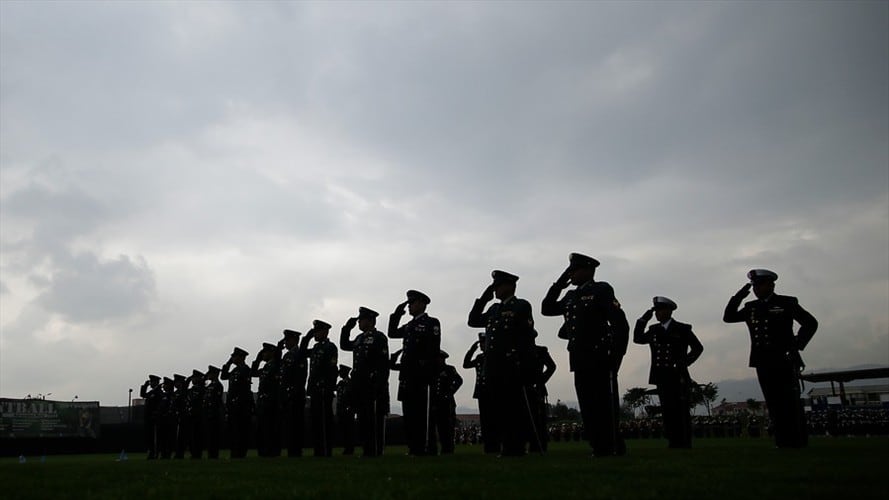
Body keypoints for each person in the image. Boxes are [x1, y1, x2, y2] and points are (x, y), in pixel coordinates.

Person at [541, 253, 629, 457]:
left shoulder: (601, 290)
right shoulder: (570, 296)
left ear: (589, 270)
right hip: (578, 357)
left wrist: (617, 355)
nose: (572, 274)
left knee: (604, 404)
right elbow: (546, 308)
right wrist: (560, 283)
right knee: (587, 405)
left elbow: (620, 324)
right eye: (570, 270)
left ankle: (613, 445)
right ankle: (598, 446)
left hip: (600, 356)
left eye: (575, 270)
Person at [723, 269, 817, 448]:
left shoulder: (786, 303)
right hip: (762, 360)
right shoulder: (751, 307)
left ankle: (798, 440)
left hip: (784, 358)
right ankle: (782, 441)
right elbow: (728, 317)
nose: (757, 289)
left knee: (790, 402)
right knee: (773, 402)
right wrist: (739, 296)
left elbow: (810, 323)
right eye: (754, 286)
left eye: (760, 284)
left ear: (770, 285)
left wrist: (797, 344)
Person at [468, 270, 537, 456]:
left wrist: (525, 363)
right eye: (494, 287)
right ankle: (507, 446)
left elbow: (526, 336)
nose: (496, 290)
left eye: (498, 286)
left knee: (514, 408)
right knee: (499, 409)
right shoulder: (493, 309)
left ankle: (516, 447)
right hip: (494, 366)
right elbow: (473, 320)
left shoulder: (521, 306)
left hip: (512, 364)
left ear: (509, 286)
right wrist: (484, 297)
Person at [634, 296, 703, 449]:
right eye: (656, 310)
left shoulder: (682, 329)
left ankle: (684, 441)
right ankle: (673, 441)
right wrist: (643, 319)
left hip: (677, 375)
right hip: (661, 374)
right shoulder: (654, 330)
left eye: (660, 310)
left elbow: (698, 348)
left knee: (681, 409)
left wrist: (684, 363)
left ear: (669, 311)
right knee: (667, 410)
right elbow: (637, 339)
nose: (657, 313)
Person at [388, 290, 441, 456]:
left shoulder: (431, 322)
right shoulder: (409, 326)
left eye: (412, 303)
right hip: (407, 375)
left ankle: (427, 447)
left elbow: (433, 349)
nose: (409, 306)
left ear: (421, 304)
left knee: (423, 414)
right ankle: (414, 447)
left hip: (422, 375)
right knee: (409, 414)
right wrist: (397, 313)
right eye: (408, 303)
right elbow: (392, 332)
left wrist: (427, 370)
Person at [341, 307, 390, 457]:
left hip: (372, 384)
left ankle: (376, 450)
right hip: (359, 385)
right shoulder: (359, 339)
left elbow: (383, 364)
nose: (359, 323)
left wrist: (379, 384)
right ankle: (367, 449)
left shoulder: (379, 337)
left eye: (361, 320)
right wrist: (346, 329)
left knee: (374, 419)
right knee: (363, 419)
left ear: (370, 321)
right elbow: (344, 345)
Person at [304, 320, 337, 457]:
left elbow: (332, 369)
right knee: (316, 421)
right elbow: (301, 353)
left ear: (325, 332)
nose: (315, 334)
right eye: (314, 331)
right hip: (315, 390)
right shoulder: (316, 348)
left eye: (317, 331)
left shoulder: (330, 347)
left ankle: (326, 450)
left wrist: (327, 386)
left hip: (324, 389)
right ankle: (318, 450)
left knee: (325, 421)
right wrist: (307, 338)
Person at [463, 333, 498, 453]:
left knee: (493, 420)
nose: (482, 346)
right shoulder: (479, 358)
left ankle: (495, 445)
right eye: (481, 344)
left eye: (484, 343)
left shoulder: (494, 356)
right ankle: (488, 446)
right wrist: (471, 350)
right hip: (481, 392)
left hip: (492, 391)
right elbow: (466, 364)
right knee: (485, 421)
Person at [279, 329, 308, 457]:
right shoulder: (286, 356)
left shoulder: (299, 353)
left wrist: (293, 391)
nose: (285, 343)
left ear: (294, 340)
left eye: (287, 340)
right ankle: (291, 449)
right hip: (287, 394)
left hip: (296, 394)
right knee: (289, 424)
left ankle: (296, 450)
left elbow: (301, 376)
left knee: (296, 424)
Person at [221, 347, 253, 458]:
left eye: (234, 356)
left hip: (241, 405)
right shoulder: (235, 371)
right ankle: (235, 452)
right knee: (233, 430)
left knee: (241, 430)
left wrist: (239, 403)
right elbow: (223, 376)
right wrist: (228, 363)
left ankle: (240, 453)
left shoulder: (245, 369)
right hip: (233, 405)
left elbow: (244, 390)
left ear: (240, 357)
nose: (232, 358)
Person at [428, 350, 463, 455]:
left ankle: (447, 449)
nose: (439, 360)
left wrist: (450, 392)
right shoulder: (431, 370)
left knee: (446, 428)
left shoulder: (449, 369)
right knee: (431, 428)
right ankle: (432, 449)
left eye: (441, 358)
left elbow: (459, 380)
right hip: (433, 402)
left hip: (446, 403)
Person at [252, 342, 282, 457]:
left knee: (271, 429)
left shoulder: (275, 365)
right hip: (263, 402)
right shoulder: (266, 367)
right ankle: (264, 451)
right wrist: (258, 359)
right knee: (262, 429)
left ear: (271, 353)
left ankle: (272, 452)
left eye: (265, 352)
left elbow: (278, 358)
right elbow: (253, 372)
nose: (263, 354)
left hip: (271, 402)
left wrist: (277, 351)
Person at [528, 345, 556, 453]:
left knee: (539, 419)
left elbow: (551, 366)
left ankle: (539, 446)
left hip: (536, 388)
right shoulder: (519, 349)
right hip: (524, 387)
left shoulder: (540, 351)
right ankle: (532, 444)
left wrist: (541, 380)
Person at [335, 365, 356, 455]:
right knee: (343, 431)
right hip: (341, 410)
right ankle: (346, 447)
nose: (340, 374)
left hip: (348, 410)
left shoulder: (350, 383)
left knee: (349, 431)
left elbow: (351, 397)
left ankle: (350, 448)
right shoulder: (340, 383)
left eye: (341, 372)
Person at [203, 365, 224, 459]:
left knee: (214, 436)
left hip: (214, 413)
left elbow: (216, 400)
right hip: (208, 413)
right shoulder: (210, 385)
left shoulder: (218, 385)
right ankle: (211, 454)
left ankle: (214, 455)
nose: (208, 375)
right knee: (209, 436)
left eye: (210, 373)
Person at [139, 374, 161, 459]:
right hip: (148, 418)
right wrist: (144, 386)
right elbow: (143, 394)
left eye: (152, 382)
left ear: (156, 382)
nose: (151, 383)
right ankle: (151, 452)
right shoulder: (151, 392)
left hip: (154, 418)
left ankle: (155, 453)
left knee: (154, 436)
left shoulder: (158, 392)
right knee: (149, 437)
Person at [186, 369, 206, 459]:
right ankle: (193, 453)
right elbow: (184, 392)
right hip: (191, 415)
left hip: (198, 415)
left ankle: (197, 453)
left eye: (194, 378)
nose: (193, 380)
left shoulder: (202, 389)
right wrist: (187, 380)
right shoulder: (191, 390)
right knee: (191, 436)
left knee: (198, 436)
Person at [172, 373, 189, 459]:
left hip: (182, 416)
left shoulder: (184, 392)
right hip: (176, 416)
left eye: (176, 382)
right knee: (177, 437)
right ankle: (178, 453)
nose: (175, 384)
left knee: (181, 436)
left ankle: (180, 453)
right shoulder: (175, 393)